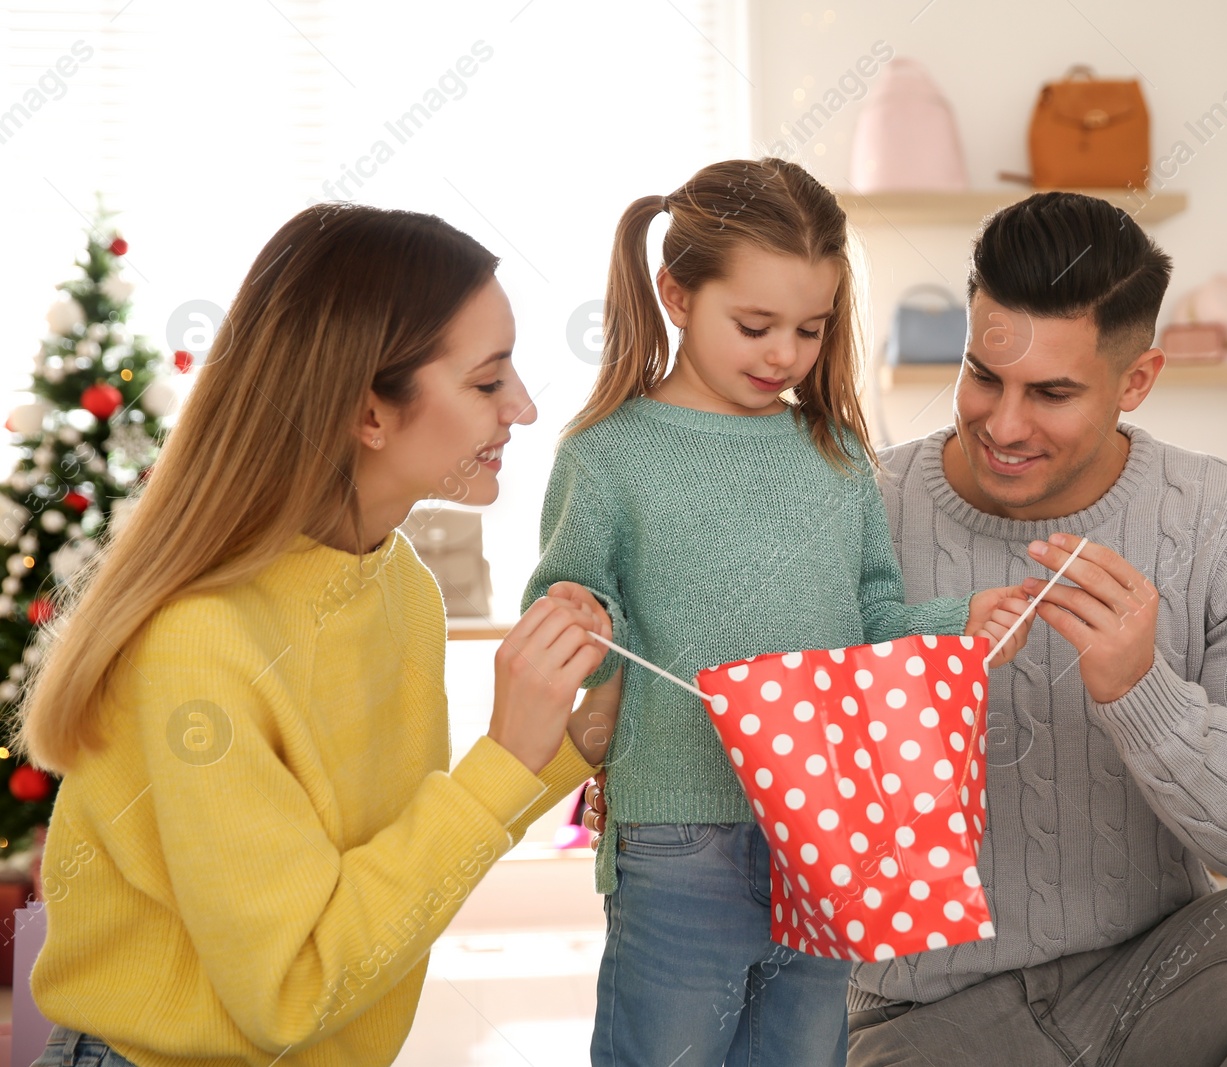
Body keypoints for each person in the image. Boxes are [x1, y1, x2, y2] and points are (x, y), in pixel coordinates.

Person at [17, 204, 617, 1067]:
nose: (522, 406)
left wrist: (571, 733)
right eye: (488, 381)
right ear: (368, 412)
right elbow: (293, 987)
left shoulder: (399, 582)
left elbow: (383, 866)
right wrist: (501, 758)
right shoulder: (201, 644)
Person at [841, 192, 1227, 1064]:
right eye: (982, 374)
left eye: (1053, 392)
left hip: (1156, 980)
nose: (1002, 424)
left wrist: (1143, 696)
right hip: (927, 1014)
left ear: (1137, 380)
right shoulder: (855, 511)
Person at [522, 157, 1036, 1067]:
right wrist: (581, 615)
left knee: (800, 1054)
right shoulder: (609, 455)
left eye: (810, 328)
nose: (784, 355)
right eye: (754, 325)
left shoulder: (833, 450)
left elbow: (872, 617)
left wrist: (961, 619)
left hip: (830, 822)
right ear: (676, 293)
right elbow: (567, 619)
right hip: (679, 831)